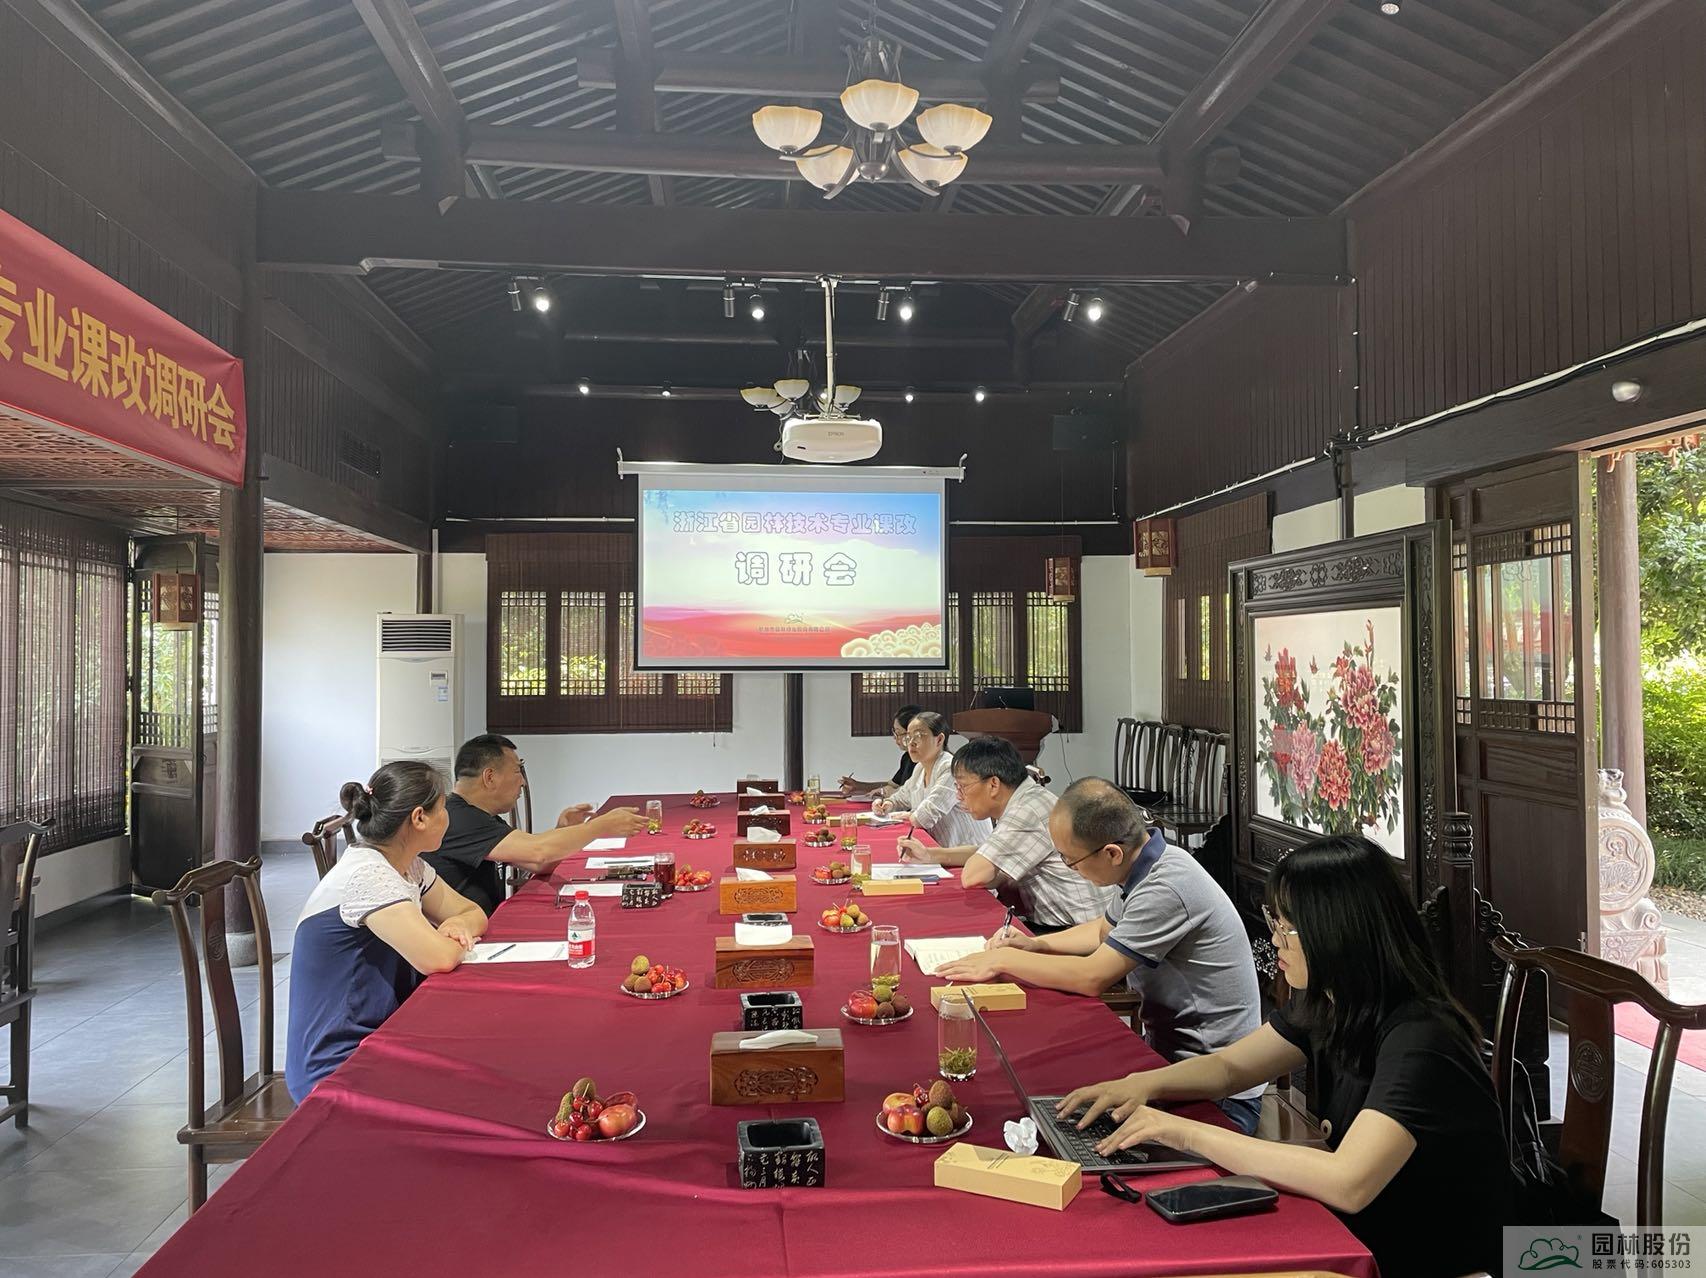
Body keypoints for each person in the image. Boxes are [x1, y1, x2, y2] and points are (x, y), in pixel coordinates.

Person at [1056, 834, 1513, 1278]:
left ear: (1339, 931)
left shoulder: (1422, 1038)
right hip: (1364, 1233)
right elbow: (1229, 1068)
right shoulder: (1332, 1002)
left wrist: (1183, 1132)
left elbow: (1348, 1181)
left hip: (1439, 1259)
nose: (1275, 939)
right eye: (1273, 921)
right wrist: (1141, 1084)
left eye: (1286, 926)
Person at [935, 777, 1263, 1132]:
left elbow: (1092, 977)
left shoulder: (1166, 885)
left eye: (1071, 861)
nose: (1069, 868)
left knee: (1058, 1112)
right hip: (1170, 1062)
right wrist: (1037, 945)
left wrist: (1003, 960)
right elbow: (1102, 930)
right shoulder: (1148, 861)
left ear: (1111, 853)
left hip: (1216, 1091)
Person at [286, 761, 488, 1103]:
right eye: (443, 809)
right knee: (474, 1082)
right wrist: (450, 937)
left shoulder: (408, 865)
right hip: (338, 1063)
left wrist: (457, 924)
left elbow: (473, 913)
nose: (448, 818)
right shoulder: (369, 876)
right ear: (419, 818)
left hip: (380, 1034)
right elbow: (437, 959)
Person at [896, 736, 1113, 931]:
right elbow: (986, 852)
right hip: (1070, 924)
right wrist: (930, 855)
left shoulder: (1026, 810)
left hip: (1077, 932)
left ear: (993, 784)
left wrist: (997, 876)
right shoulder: (1025, 797)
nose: (959, 796)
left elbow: (973, 876)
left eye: (962, 787)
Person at [424, 734, 647, 915]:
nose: (522, 782)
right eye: (517, 771)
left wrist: (564, 832)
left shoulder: (480, 816)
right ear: (489, 777)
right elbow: (539, 852)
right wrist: (599, 827)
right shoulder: (458, 818)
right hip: (463, 933)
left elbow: (539, 864)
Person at [871, 711, 990, 850]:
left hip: (969, 852)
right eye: (908, 737)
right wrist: (887, 804)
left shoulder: (951, 768)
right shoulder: (920, 768)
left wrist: (907, 815)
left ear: (939, 740)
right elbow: (902, 797)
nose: (911, 743)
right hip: (942, 850)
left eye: (918, 736)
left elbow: (924, 818)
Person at [838, 704, 922, 798]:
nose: (895, 737)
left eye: (898, 733)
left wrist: (888, 791)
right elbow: (892, 786)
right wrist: (858, 786)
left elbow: (913, 792)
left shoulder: (926, 760)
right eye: (894, 732)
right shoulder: (907, 757)